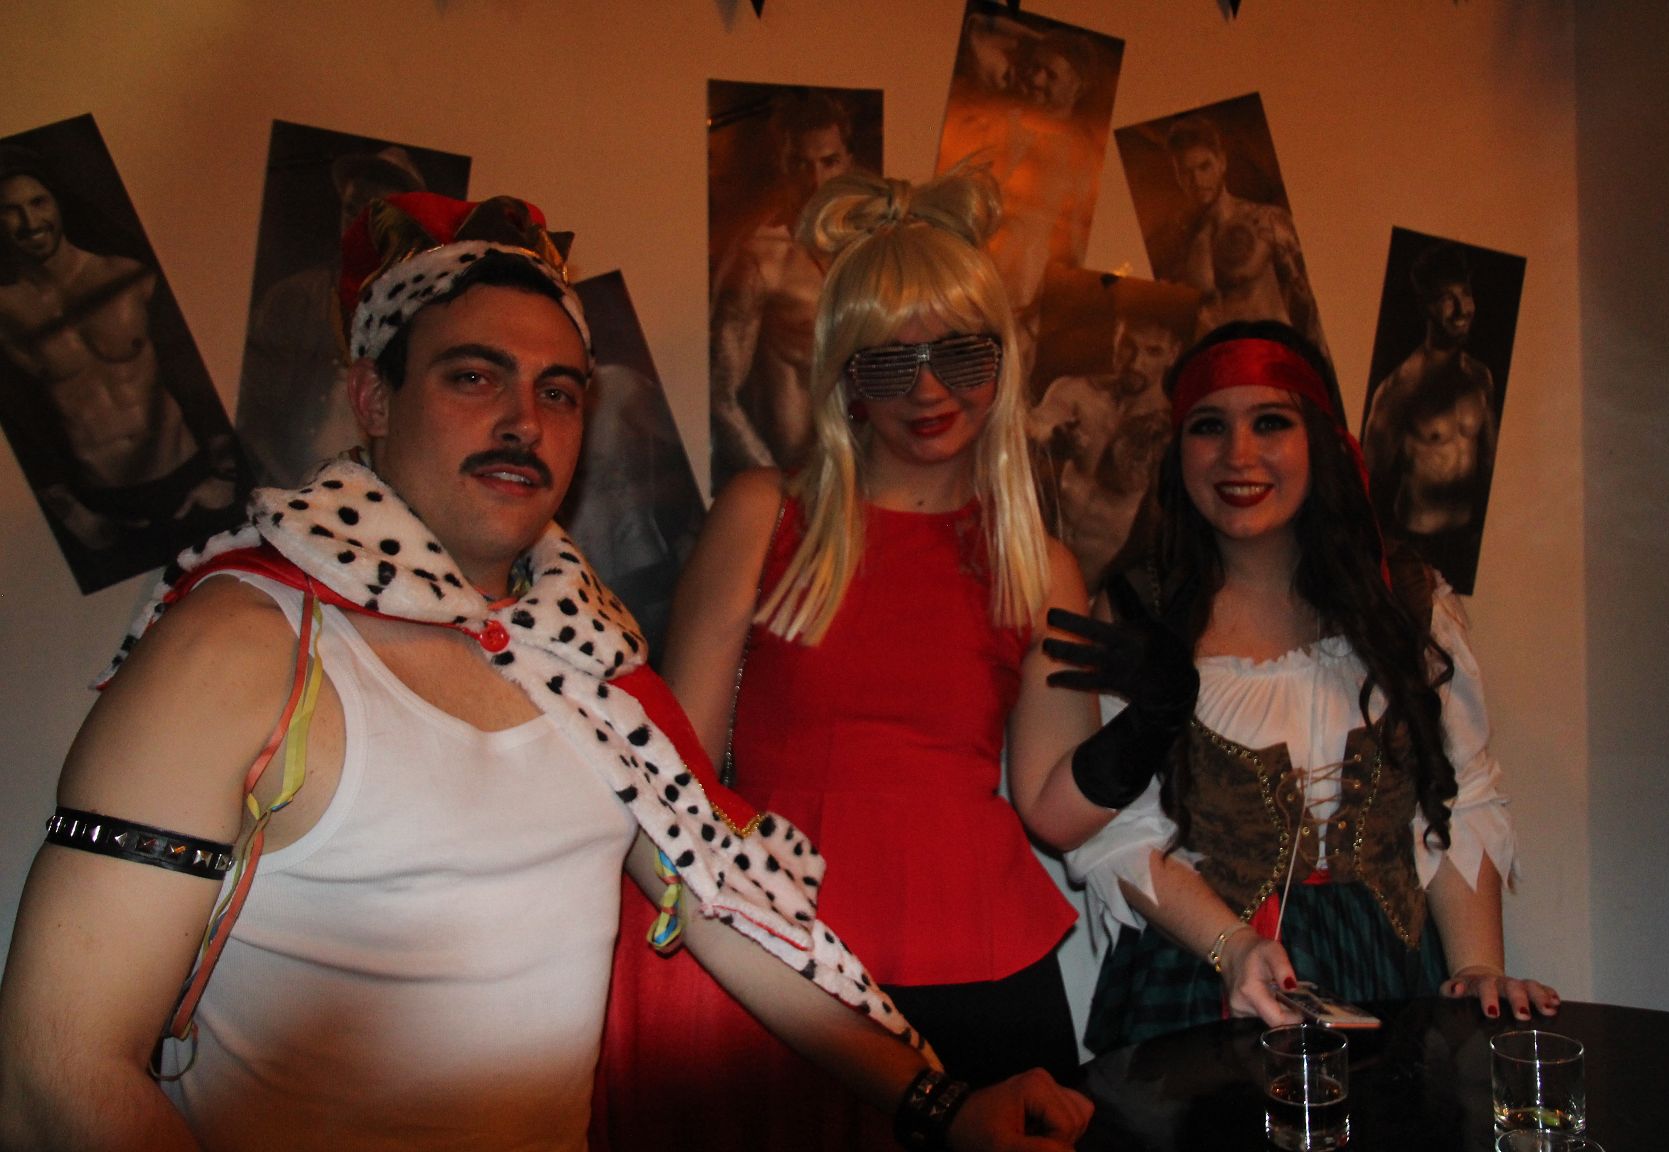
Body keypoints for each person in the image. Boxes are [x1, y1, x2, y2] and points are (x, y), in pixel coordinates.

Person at [0, 191, 1095, 1152]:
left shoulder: (584, 658)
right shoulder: (237, 643)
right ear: (372, 399)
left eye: (559, 391)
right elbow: (56, 1077)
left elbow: (721, 903)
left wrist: (942, 1109)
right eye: (473, 376)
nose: (522, 421)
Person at [600, 167, 1192, 1150]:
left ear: (1003, 362)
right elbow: (678, 786)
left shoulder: (1036, 563)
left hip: (988, 975)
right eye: (887, 363)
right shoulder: (763, 517)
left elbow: (1053, 810)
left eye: (959, 354)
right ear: (844, 379)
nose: (927, 389)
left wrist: (1158, 720)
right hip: (792, 966)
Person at [1064, 320, 1558, 1054]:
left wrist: (1477, 969)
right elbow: (1116, 831)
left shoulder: (1406, 602)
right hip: (1202, 980)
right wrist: (1232, 945)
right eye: (1208, 426)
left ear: (1320, 442)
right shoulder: (1138, 613)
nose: (1238, 454)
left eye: (1271, 422)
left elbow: (1462, 796)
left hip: (1388, 972)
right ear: (1179, 450)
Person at [0, 147, 241, 561]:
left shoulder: (128, 276)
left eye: (38, 202)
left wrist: (227, 473)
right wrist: (70, 512)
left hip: (189, 476)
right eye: (9, 210)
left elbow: (202, 369)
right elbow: (19, 423)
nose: (30, 221)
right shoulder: (6, 313)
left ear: (58, 203)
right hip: (104, 505)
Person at [235, 143, 427, 488]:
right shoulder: (294, 298)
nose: (359, 227)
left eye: (377, 216)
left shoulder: (427, 319)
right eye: (351, 210)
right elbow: (252, 418)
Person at [709, 90, 862, 491]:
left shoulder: (868, 252)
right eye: (801, 164)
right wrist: (776, 487)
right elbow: (719, 394)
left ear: (848, 162)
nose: (816, 181)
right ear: (783, 165)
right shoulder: (760, 257)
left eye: (829, 162)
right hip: (793, 476)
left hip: (863, 482)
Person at [1361, 242, 1499, 591]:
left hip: (1467, 545)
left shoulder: (1481, 377)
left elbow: (1490, 465)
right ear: (1425, 306)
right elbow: (1365, 487)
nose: (1461, 309)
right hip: (1415, 548)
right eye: (1446, 299)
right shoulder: (1398, 391)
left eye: (1465, 294)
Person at [1028, 313, 1181, 590]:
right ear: (1115, 339)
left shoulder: (1171, 430)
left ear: (1173, 354)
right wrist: (1052, 435)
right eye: (1128, 346)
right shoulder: (1077, 391)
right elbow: (1035, 423)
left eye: (1153, 352)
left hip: (1099, 585)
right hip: (1036, 566)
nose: (1136, 362)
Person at [1158, 117, 1325, 355]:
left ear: (1222, 162)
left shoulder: (1266, 221)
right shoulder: (1183, 247)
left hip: (1277, 356)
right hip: (1227, 367)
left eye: (1204, 167)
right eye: (1185, 172)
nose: (1197, 181)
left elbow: (1311, 301)